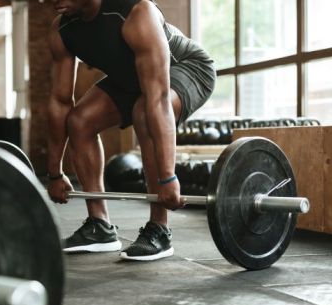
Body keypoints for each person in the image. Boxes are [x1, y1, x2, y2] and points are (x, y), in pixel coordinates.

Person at [46, 0, 216, 261]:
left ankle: (159, 228)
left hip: (186, 68)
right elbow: (60, 102)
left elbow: (157, 99)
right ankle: (99, 225)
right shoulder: (63, 30)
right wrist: (55, 173)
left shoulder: (136, 12)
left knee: (144, 112)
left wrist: (168, 178)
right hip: (131, 77)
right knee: (80, 120)